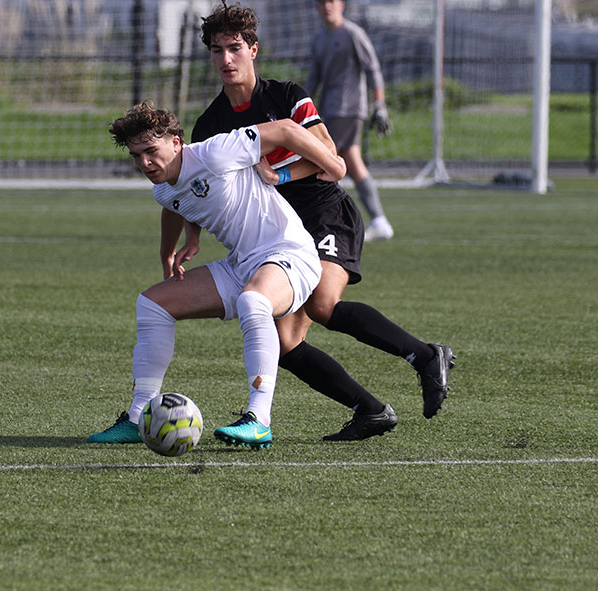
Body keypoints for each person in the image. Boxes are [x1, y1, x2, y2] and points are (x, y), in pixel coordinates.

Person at [179, 0, 454, 441]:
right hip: (279, 232)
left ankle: (425, 356)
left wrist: (281, 175)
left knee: (323, 305)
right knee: (285, 343)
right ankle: (370, 410)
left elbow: (331, 157)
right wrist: (191, 237)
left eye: (234, 48)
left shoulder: (286, 96)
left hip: (324, 213)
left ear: (253, 49)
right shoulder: (211, 124)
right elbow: (194, 185)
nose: (226, 59)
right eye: (217, 50)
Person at [86, 102, 346, 450]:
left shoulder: (215, 152)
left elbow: (285, 128)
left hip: (290, 255)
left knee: (253, 301)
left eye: (151, 151)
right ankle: (137, 418)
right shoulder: (162, 186)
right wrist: (177, 247)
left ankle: (259, 420)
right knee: (152, 304)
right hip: (242, 264)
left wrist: (334, 165)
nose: (145, 163)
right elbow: (175, 202)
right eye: (136, 156)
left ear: (176, 142)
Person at [306, 0, 394, 242]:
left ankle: (334, 226)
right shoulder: (318, 39)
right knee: (352, 164)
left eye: (331, 1)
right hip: (329, 111)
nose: (327, 6)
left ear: (341, 5)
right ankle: (379, 221)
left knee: (324, 164)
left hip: (349, 109)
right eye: (322, 2)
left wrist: (379, 106)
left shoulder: (353, 34)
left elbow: (373, 69)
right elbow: (314, 78)